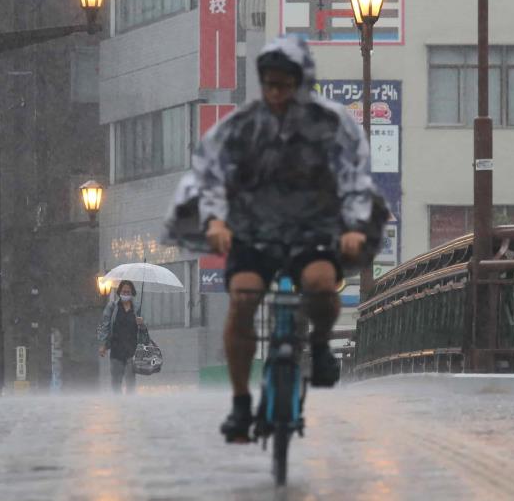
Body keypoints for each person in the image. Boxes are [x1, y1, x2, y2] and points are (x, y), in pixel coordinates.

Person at [164, 35, 389, 442]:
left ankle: (319, 345)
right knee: (244, 296)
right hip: (254, 232)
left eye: (284, 85)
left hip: (311, 231)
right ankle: (239, 403)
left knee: (321, 284)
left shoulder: (330, 127)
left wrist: (354, 227)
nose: (276, 94)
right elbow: (213, 174)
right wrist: (215, 221)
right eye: (269, 85)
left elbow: (354, 179)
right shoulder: (242, 128)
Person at [98, 280, 151, 394]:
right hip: (116, 349)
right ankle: (117, 404)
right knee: (116, 382)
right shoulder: (112, 307)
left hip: (132, 350)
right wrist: (103, 344)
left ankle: (129, 405)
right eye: (123, 291)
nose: (125, 294)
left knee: (130, 380)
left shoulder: (137, 308)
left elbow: (145, 329)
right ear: (119, 292)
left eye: (128, 292)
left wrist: (141, 323)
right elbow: (104, 325)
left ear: (132, 293)